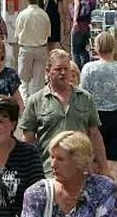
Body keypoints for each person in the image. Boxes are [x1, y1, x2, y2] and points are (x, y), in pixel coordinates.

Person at [19, 50, 108, 178]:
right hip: (49, 172)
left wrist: (104, 167)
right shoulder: (35, 101)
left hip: (81, 171)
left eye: (66, 69)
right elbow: (28, 140)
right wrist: (27, 171)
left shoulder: (85, 98)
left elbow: (95, 135)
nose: (63, 73)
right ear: (48, 71)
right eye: (58, 69)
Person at [78, 32, 117, 182]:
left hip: (94, 119)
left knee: (95, 163)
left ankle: (97, 199)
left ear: (96, 47)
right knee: (113, 164)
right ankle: (113, 200)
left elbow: (83, 95)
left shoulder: (89, 68)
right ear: (114, 47)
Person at [13, 0, 52, 98]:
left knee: (24, 80)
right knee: (38, 80)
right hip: (41, 48)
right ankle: (36, 102)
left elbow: (17, 34)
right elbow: (48, 34)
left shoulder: (22, 15)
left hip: (26, 48)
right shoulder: (44, 15)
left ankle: (25, 103)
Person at [69, 0, 97, 68]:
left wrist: (75, 21)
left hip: (79, 25)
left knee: (75, 50)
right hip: (87, 26)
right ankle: (85, 69)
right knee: (84, 50)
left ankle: (75, 71)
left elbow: (77, 5)